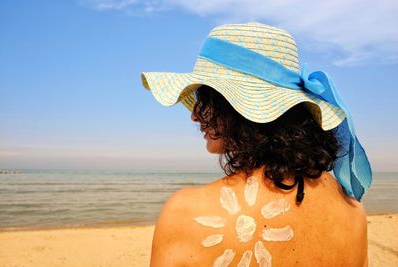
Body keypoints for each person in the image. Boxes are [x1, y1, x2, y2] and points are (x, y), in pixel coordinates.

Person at [141, 22, 372, 267]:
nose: (194, 115)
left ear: (234, 106)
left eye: (204, 98)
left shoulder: (183, 213)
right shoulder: (353, 213)